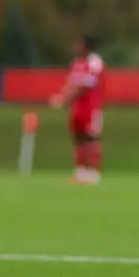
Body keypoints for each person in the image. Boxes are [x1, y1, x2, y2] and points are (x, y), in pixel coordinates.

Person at [50, 34, 106, 185]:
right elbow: (71, 84)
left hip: (91, 108)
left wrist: (64, 100)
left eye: (79, 43)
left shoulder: (95, 63)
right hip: (77, 108)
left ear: (86, 46)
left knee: (91, 138)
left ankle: (93, 172)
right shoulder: (76, 63)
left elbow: (85, 86)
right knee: (78, 138)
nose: (76, 46)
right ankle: (81, 172)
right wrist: (61, 96)